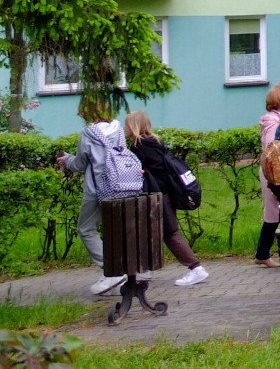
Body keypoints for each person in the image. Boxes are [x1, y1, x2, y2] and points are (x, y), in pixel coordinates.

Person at [56, 95, 133, 296]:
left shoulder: (88, 132)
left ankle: (111, 271)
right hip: (121, 185)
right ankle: (119, 273)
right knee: (113, 230)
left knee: (86, 228)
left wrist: (66, 160)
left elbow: (81, 164)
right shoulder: (118, 128)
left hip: (97, 188)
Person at [124, 110, 210, 286]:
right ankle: (145, 269)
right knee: (153, 231)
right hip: (166, 194)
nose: (124, 128)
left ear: (134, 125)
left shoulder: (138, 147)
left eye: (126, 124)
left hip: (157, 196)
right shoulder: (155, 142)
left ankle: (196, 268)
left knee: (170, 233)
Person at [255, 82, 280, 268]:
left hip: (274, 172)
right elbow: (273, 150)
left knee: (277, 213)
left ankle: (263, 253)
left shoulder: (277, 118)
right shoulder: (274, 122)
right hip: (275, 174)